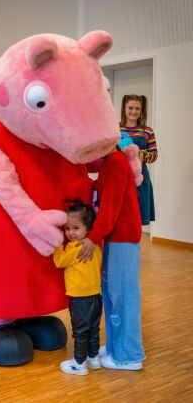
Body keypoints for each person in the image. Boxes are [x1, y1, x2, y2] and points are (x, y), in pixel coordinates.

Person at [77, 145, 145, 370]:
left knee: (123, 296)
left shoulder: (115, 163)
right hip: (116, 239)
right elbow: (102, 194)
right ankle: (117, 345)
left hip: (123, 239)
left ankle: (129, 356)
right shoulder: (110, 163)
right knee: (113, 294)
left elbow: (110, 208)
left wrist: (92, 238)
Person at [53, 200, 103, 376]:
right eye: (67, 229)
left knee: (80, 331)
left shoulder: (74, 248)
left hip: (80, 297)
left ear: (88, 229)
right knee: (93, 328)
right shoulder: (95, 245)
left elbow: (60, 262)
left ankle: (79, 362)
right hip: (96, 295)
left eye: (76, 228)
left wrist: (58, 245)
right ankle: (93, 357)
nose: (71, 233)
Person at [120, 94, 158, 226]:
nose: (133, 111)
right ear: (124, 109)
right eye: (130, 108)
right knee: (119, 214)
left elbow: (154, 155)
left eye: (137, 108)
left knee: (137, 217)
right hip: (120, 176)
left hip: (141, 178)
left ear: (141, 111)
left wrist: (141, 154)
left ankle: (135, 246)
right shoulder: (115, 129)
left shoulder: (147, 131)